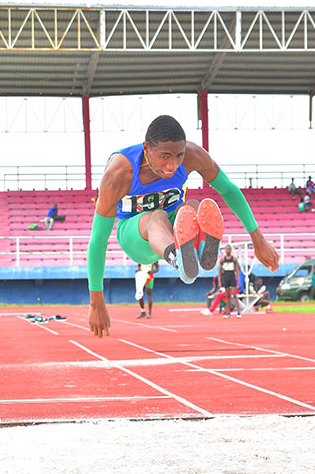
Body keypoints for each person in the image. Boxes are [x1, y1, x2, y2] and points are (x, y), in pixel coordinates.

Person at [86, 115, 279, 337]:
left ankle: (199, 252)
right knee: (156, 216)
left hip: (174, 224)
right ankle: (179, 259)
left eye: (178, 156)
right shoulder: (119, 174)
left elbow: (228, 189)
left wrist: (258, 239)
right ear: (147, 148)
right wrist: (96, 301)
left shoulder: (193, 155)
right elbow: (98, 241)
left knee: (196, 206)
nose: (172, 165)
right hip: (135, 234)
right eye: (164, 157)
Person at [218, 244, 242, 318]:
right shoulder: (222, 260)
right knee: (227, 296)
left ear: (231, 250)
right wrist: (219, 281)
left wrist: (238, 280)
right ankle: (228, 312)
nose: (228, 250)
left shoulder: (234, 259)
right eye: (226, 249)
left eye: (229, 249)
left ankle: (238, 312)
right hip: (225, 277)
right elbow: (219, 271)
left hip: (232, 277)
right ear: (225, 250)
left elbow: (237, 270)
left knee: (234, 295)